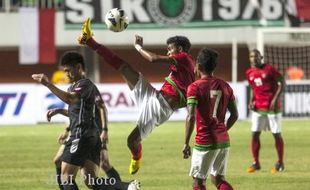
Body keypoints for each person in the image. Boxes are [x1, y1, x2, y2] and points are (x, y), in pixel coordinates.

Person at [78, 18, 196, 175]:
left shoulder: (184, 58)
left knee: (131, 141)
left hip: (159, 109)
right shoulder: (185, 65)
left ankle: (137, 156)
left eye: (170, 49)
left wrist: (138, 47)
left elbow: (153, 59)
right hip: (154, 95)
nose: (168, 52)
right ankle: (90, 41)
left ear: (180, 49)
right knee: (124, 67)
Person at [32, 51, 140, 190]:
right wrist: (59, 111)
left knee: (66, 178)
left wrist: (48, 84)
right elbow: (77, 113)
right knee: (91, 181)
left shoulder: (85, 84)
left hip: (81, 134)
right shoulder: (76, 86)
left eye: (68, 70)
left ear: (78, 67)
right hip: (90, 136)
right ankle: (128, 187)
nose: (66, 74)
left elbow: (73, 100)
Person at [182, 48, 238, 190]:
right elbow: (235, 115)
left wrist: (186, 143)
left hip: (205, 140)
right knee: (218, 179)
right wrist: (222, 130)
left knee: (198, 182)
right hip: (223, 140)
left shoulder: (194, 87)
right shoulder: (225, 86)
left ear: (198, 66)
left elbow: (191, 116)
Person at [246, 49, 285, 174]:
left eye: (256, 56)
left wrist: (275, 99)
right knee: (254, 134)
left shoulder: (269, 69)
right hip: (258, 107)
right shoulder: (249, 72)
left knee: (276, 134)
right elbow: (253, 87)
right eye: (252, 56)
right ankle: (255, 163)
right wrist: (251, 101)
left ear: (261, 57)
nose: (254, 58)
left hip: (273, 108)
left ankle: (280, 163)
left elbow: (282, 82)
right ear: (250, 58)